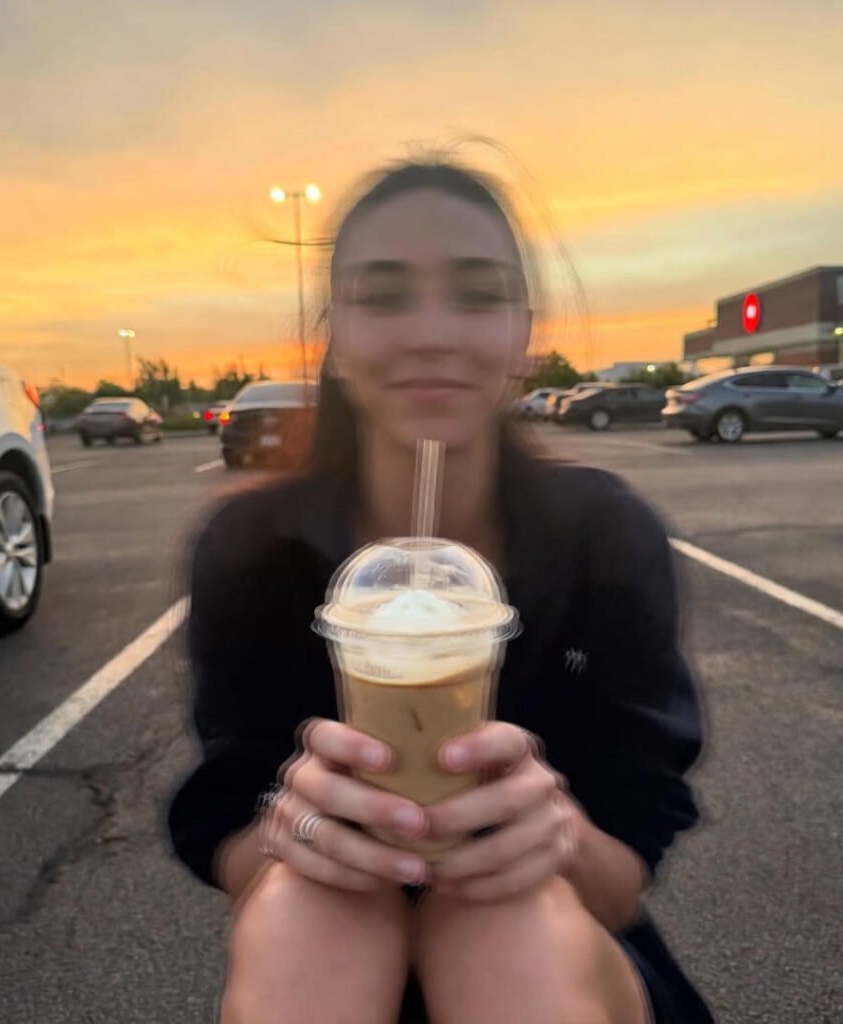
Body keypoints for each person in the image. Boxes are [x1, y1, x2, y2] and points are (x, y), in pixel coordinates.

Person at [168, 159, 714, 1024]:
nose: (431, 333)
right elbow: (230, 826)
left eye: (477, 295)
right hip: (329, 948)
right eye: (384, 298)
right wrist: (295, 831)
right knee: (304, 921)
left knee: (500, 933)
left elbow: (622, 880)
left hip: (560, 947)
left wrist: (559, 832)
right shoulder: (252, 548)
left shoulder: (604, 535)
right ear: (335, 338)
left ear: (523, 337)